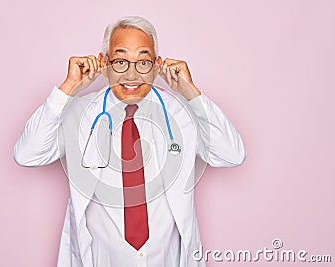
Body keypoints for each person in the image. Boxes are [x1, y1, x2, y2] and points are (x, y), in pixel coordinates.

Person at [14, 16, 246, 267]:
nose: (132, 73)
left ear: (157, 66)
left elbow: (231, 155)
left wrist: (190, 91)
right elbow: (27, 155)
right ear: (105, 63)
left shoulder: (181, 113)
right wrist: (68, 88)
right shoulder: (79, 112)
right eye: (121, 61)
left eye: (143, 61)